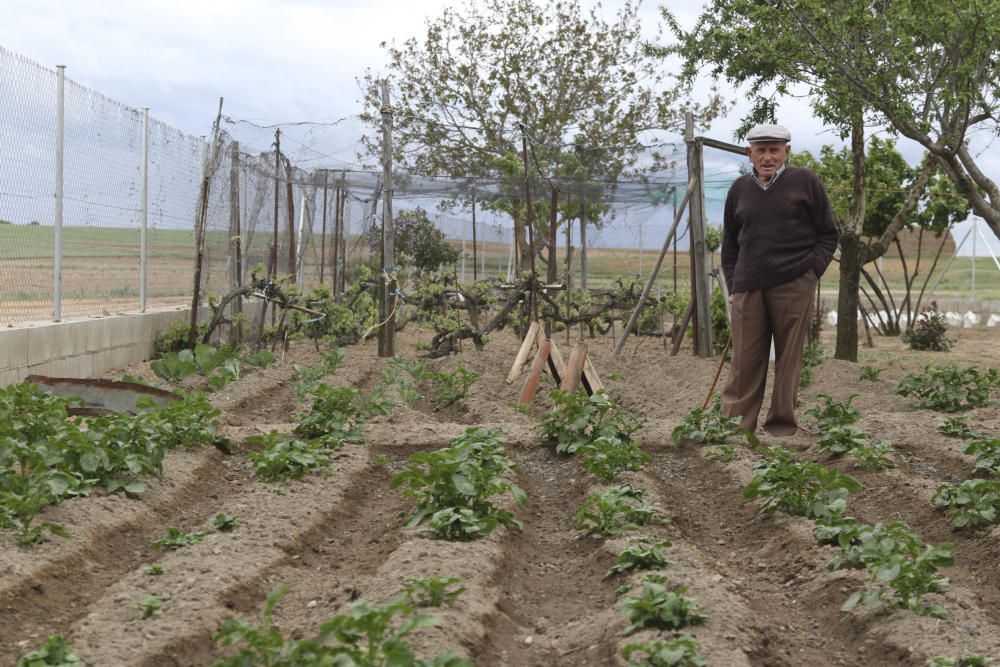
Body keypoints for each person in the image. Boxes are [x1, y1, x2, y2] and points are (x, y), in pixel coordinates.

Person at [720, 124, 839, 435]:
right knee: (744, 359)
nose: (768, 156)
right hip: (748, 285)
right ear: (750, 153)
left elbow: (828, 233)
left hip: (794, 280)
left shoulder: (805, 182)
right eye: (761, 150)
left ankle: (781, 427)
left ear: (787, 150)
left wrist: (811, 271)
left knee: (788, 358)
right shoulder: (738, 191)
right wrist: (734, 284)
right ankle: (736, 426)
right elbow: (731, 242)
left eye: (775, 149)